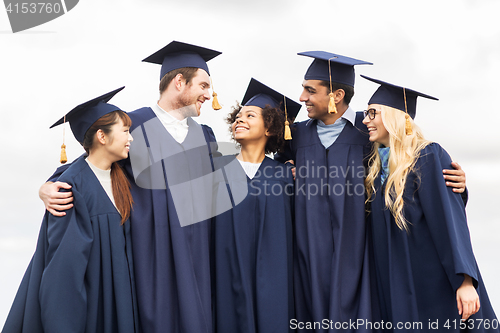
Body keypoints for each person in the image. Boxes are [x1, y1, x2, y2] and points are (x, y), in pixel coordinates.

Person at [275, 51, 467, 332]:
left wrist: (458, 184)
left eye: (309, 89)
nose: (301, 97)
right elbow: (270, 167)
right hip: (308, 254)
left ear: (336, 95)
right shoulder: (296, 134)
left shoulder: (369, 133)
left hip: (360, 254)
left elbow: (411, 165)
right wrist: (286, 169)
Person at [39, 41, 222, 333]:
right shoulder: (132, 124)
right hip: (149, 252)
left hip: (197, 253)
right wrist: (49, 185)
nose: (208, 94)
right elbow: (88, 162)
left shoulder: (206, 135)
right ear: (178, 82)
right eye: (203, 85)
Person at [362, 75, 499, 332]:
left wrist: (465, 281)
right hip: (396, 284)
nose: (365, 119)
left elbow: (449, 220)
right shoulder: (375, 166)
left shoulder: (428, 156)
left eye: (372, 113)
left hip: (432, 283)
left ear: (396, 118)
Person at [2, 87, 138, 333]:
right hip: (93, 312)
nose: (131, 139)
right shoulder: (70, 188)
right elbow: (63, 276)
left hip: (118, 303)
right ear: (102, 136)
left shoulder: (122, 176)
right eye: (125, 131)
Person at [212, 78, 300, 333]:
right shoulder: (216, 169)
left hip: (274, 279)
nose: (240, 120)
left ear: (271, 128)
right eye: (238, 116)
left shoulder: (285, 176)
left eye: (250, 115)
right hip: (226, 276)